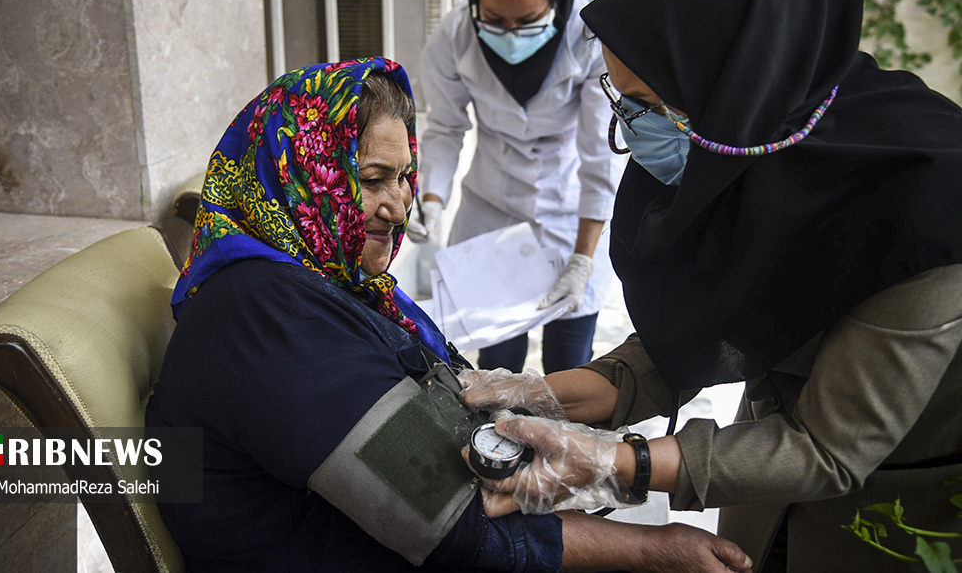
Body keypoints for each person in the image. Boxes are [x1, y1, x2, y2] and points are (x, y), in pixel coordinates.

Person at [459, 0, 962, 573]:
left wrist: (615, 462)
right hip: (763, 486)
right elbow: (703, 325)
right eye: (619, 97)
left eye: (647, 103)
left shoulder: (929, 201)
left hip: (894, 513)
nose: (629, 127)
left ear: (737, 84)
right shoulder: (745, 149)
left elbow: (828, 449)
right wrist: (560, 394)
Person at [144, 57, 752, 572]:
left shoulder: (330, 287)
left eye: (405, 177)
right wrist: (654, 549)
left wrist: (565, 435)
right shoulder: (266, 314)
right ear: (300, 176)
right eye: (372, 179)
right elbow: (457, 528)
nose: (396, 206)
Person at [407, 0, 622, 374]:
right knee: (496, 360)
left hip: (573, 211)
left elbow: (600, 154)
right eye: (494, 18)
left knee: (570, 362)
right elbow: (445, 127)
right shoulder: (455, 36)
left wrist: (583, 259)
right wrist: (432, 198)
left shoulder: (589, 35)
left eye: (527, 19)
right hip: (492, 209)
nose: (509, 34)